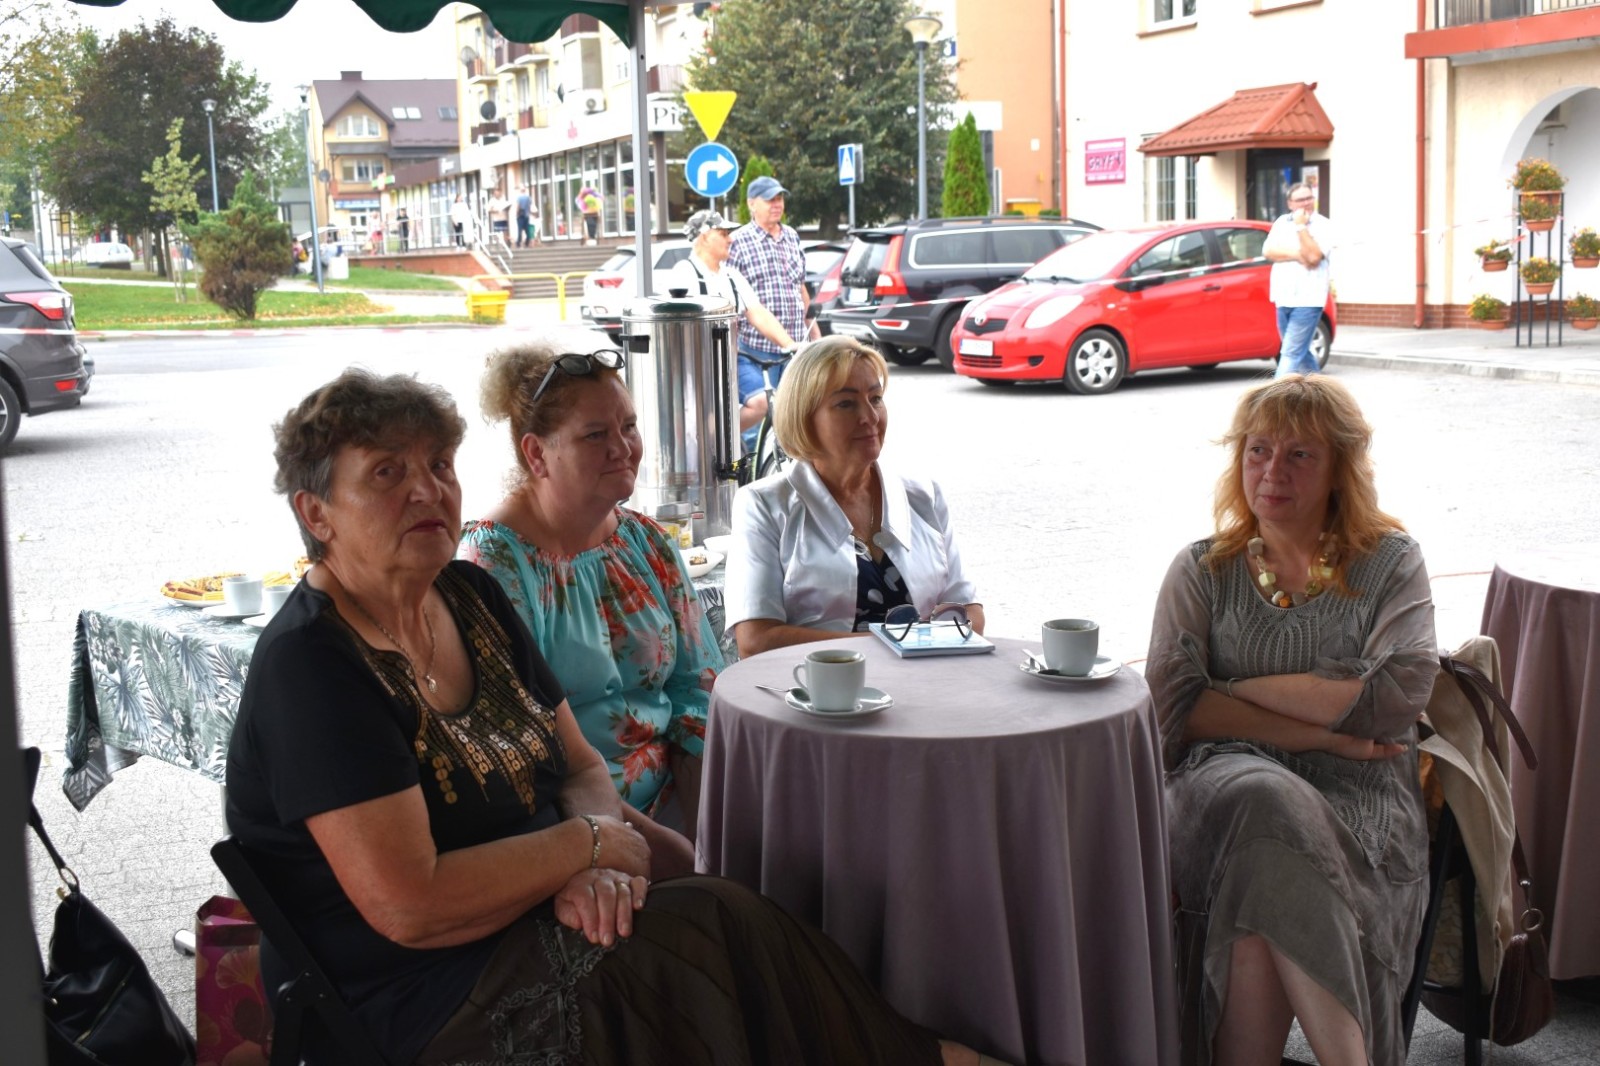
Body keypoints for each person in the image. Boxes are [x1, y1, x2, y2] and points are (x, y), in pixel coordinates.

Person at [227, 369, 987, 1066]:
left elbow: (580, 764)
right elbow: (410, 906)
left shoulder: (466, 597)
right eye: (387, 473)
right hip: (422, 991)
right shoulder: (314, 666)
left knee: (729, 914)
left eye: (440, 465)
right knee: (690, 959)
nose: (428, 491)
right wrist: (586, 847)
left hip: (533, 912)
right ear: (316, 513)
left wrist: (595, 861)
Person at [1145, 374, 1437, 1066]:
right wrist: (1327, 730)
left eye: (1300, 454)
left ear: (1339, 469)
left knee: (1258, 901)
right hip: (1222, 786)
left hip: (1360, 804)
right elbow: (1175, 710)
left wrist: (1231, 689)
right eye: (1258, 450)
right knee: (1264, 796)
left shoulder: (1390, 563)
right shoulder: (1202, 570)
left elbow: (1395, 694)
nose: (1272, 470)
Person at [459, 329, 723, 835]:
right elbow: (525, 752)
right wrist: (662, 850)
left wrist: (704, 831)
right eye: (595, 435)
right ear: (536, 454)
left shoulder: (646, 541)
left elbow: (698, 692)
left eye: (629, 426)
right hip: (569, 827)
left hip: (677, 799)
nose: (622, 448)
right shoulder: (493, 565)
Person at [724, 336, 982, 658]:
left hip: (926, 680)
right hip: (817, 686)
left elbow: (969, 611)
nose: (870, 417)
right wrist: (890, 646)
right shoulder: (763, 505)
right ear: (804, 417)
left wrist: (910, 647)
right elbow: (756, 640)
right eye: (846, 404)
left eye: (875, 398)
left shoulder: (923, 495)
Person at [728, 175, 821, 436]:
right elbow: (732, 299)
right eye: (770, 199)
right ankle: (750, 462)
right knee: (758, 427)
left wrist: (814, 333)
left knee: (792, 424)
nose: (777, 204)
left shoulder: (791, 236)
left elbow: (800, 286)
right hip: (757, 351)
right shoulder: (738, 241)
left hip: (794, 348)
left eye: (779, 198)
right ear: (752, 204)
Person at [669, 210, 800, 378]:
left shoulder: (731, 276)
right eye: (723, 234)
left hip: (730, 359)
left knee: (761, 393)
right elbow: (675, 327)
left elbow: (758, 313)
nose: (730, 239)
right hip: (696, 364)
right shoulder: (684, 273)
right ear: (705, 237)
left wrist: (789, 344)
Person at [1263, 182, 1334, 378]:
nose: (1306, 203)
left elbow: (1313, 257)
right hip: (1283, 296)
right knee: (1300, 353)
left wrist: (1301, 226)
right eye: (1300, 199)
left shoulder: (1324, 225)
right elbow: (1268, 251)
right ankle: (1321, 392)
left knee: (1290, 353)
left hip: (1309, 299)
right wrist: (1297, 255)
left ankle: (1275, 395)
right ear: (1290, 203)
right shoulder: (1281, 223)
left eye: (1309, 198)